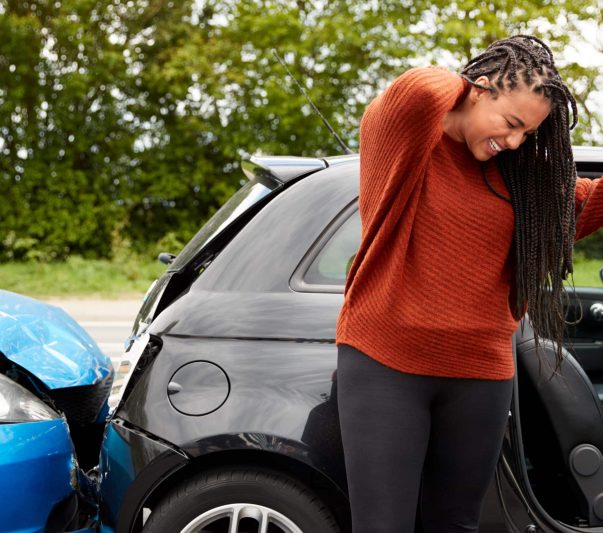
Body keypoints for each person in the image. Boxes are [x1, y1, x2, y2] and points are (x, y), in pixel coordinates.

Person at [335, 35, 603, 533]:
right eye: (512, 123)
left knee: (456, 525)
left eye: (530, 133)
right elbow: (420, 88)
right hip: (385, 366)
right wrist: (466, 80)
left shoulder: (519, 180)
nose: (517, 141)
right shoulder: (410, 138)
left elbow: (591, 199)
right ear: (477, 90)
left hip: (481, 376)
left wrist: (509, 124)